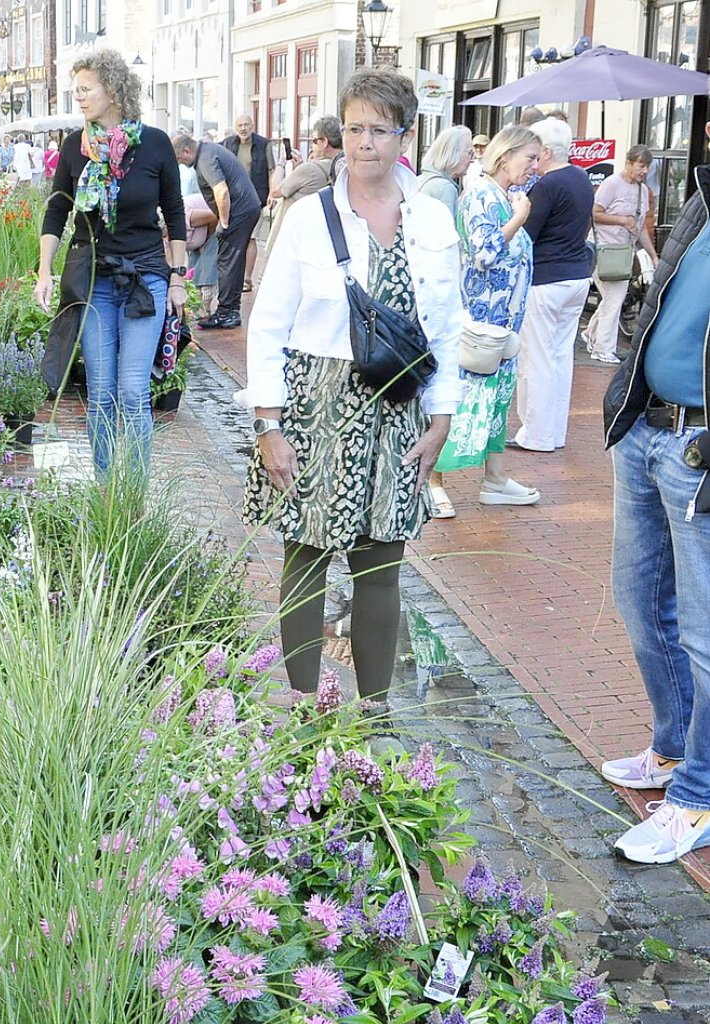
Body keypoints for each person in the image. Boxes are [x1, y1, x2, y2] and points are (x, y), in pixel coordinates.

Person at [241, 68, 465, 705]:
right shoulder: (310, 216)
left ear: (405, 135)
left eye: (379, 130)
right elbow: (267, 327)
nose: (365, 143)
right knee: (306, 557)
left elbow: (445, 332)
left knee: (381, 565)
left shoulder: (431, 220)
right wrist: (269, 425)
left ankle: (376, 708)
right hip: (315, 405)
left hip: (397, 407)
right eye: (355, 129)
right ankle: (308, 706)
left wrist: (441, 418)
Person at [600, 140, 710, 865]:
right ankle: (673, 748)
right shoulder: (702, 196)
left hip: (700, 448)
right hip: (649, 428)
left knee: (704, 632)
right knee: (638, 596)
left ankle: (697, 795)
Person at [36, 49, 189, 479]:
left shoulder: (155, 144)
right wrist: (45, 270)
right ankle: (107, 489)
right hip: (95, 280)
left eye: (86, 89)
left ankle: (132, 495)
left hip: (146, 278)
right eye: (76, 90)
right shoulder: (75, 146)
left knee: (133, 390)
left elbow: (174, 212)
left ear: (114, 90)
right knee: (101, 392)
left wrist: (178, 278)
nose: (79, 97)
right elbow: (56, 211)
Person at [431, 125, 543, 509]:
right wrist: (520, 218)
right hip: (479, 323)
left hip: (503, 324)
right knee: (463, 402)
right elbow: (484, 253)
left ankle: (494, 480)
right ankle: (433, 481)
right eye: (530, 157)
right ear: (506, 155)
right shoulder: (480, 194)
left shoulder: (504, 194)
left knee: (496, 402)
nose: (535, 167)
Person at [512, 118, 595, 452]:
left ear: (546, 151)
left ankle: (536, 434)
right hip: (577, 275)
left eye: (534, 154)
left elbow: (524, 234)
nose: (532, 162)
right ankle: (553, 432)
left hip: (546, 278)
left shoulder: (546, 186)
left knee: (537, 358)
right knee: (560, 357)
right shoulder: (580, 177)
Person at [415, 125, 475, 519]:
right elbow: (448, 251)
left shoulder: (424, 181)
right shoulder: (445, 190)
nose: (472, 158)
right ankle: (433, 485)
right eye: (468, 152)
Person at [172, 132, 261, 330]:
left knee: (227, 261)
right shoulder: (208, 151)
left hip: (240, 211)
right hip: (246, 208)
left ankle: (226, 313)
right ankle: (230, 311)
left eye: (179, 159)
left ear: (187, 151)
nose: (180, 163)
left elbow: (221, 191)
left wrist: (224, 222)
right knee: (233, 261)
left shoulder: (205, 159)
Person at [585, 145, 657, 365]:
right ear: (629, 163)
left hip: (623, 252)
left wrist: (653, 255)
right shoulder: (611, 184)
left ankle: (591, 334)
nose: (644, 171)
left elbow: (640, 227)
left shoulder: (642, 191)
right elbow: (595, 213)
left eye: (647, 167)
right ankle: (603, 348)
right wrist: (621, 220)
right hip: (604, 249)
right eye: (640, 166)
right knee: (614, 299)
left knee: (611, 300)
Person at [268, 115, 344, 244]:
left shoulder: (309, 169)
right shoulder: (343, 167)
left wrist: (281, 163)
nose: (312, 145)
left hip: (294, 234)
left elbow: (275, 192)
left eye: (314, 140)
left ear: (325, 142)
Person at [223, 116, 274, 291]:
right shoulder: (227, 144)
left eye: (246, 125)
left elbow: (271, 170)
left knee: (251, 237)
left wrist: (272, 193)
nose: (243, 128)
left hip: (256, 198)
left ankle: (246, 278)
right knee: (233, 236)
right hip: (233, 198)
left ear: (253, 126)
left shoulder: (264, 144)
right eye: (240, 125)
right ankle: (232, 275)